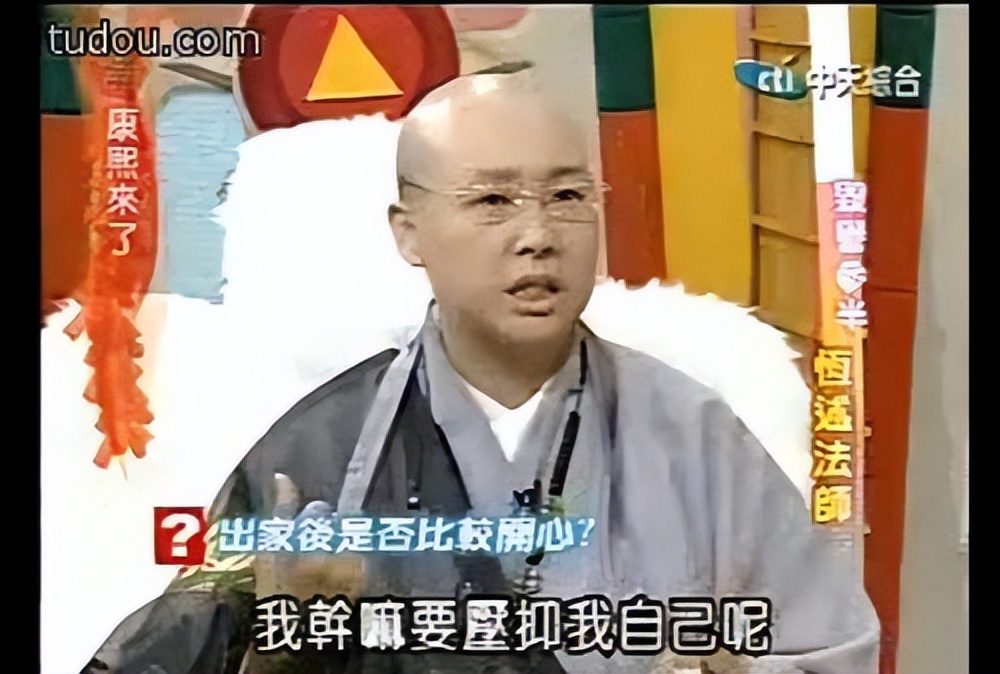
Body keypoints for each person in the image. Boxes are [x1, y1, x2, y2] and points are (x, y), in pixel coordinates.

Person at [82, 72, 879, 674]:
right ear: (410, 234)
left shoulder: (693, 437)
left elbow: (831, 647)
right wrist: (284, 646)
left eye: (566, 195)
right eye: (494, 201)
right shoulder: (322, 455)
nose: (538, 235)